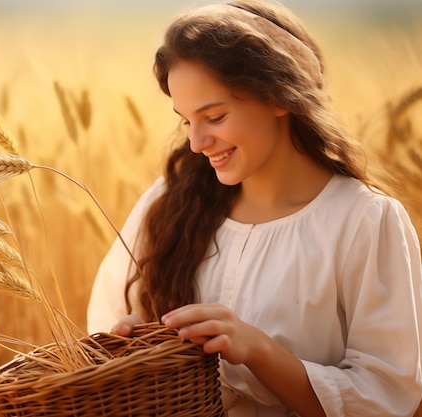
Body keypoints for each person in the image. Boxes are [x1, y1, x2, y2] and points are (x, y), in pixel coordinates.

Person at [86, 0, 422, 416]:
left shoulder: (365, 222)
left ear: (279, 96)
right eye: (187, 120)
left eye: (215, 116)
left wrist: (258, 349)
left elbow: (386, 398)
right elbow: (107, 325)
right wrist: (135, 347)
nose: (196, 142)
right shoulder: (168, 202)